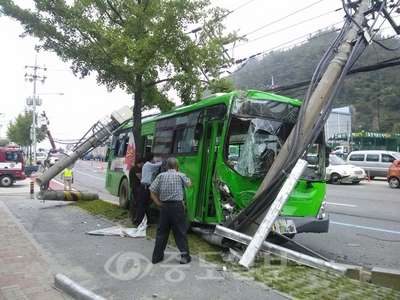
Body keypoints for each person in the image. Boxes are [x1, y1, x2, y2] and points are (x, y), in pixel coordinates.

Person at [149, 157, 194, 264]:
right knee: (180, 232)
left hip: (165, 207)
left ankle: (156, 257)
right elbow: (190, 185)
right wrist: (190, 179)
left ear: (166, 166)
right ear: (177, 166)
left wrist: (157, 202)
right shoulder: (180, 175)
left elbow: (152, 190)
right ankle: (184, 257)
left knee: (161, 233)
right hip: (177, 207)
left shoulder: (161, 176)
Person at [135, 152, 162, 226]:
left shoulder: (146, 165)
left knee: (144, 205)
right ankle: (140, 223)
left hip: (143, 187)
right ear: (151, 158)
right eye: (153, 158)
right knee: (143, 205)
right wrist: (161, 161)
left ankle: (146, 220)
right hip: (145, 187)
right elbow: (158, 165)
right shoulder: (148, 164)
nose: (154, 159)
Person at [129, 157, 144, 224]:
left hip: (134, 187)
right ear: (141, 162)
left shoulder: (134, 168)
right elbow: (140, 178)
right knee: (137, 203)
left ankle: (134, 217)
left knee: (134, 202)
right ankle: (135, 218)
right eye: (143, 163)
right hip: (136, 188)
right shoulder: (136, 169)